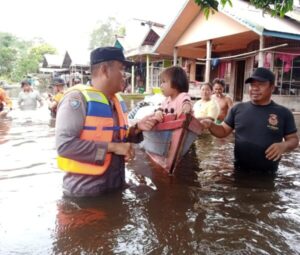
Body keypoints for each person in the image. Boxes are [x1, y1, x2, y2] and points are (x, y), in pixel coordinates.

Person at [55, 46, 157, 197]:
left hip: (114, 184)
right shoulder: (77, 99)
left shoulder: (115, 100)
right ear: (104, 70)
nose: (125, 76)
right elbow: (65, 146)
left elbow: (115, 137)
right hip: (85, 195)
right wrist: (114, 147)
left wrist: (136, 129)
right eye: (122, 69)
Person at [201, 67, 299, 173]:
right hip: (239, 171)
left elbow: (294, 140)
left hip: (268, 174)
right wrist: (210, 124)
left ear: (272, 87)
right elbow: (223, 131)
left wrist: (283, 146)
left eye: (261, 84)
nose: (255, 88)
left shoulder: (283, 113)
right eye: (252, 85)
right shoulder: (237, 109)